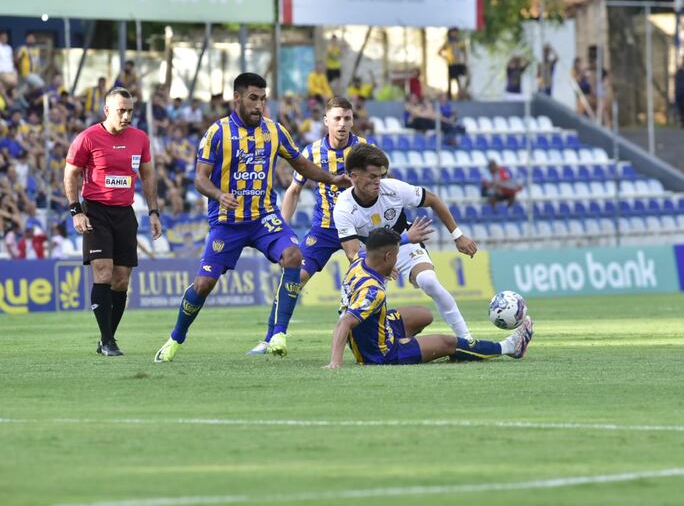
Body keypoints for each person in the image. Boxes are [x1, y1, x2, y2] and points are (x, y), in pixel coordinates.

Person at [153, 72, 352, 363]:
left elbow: (302, 164)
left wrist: (332, 179)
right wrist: (219, 195)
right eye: (253, 98)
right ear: (237, 98)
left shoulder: (274, 131)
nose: (259, 105)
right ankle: (175, 339)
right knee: (203, 285)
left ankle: (278, 335)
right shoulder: (217, 133)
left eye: (263, 99)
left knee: (294, 256)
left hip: (263, 218)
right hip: (227, 222)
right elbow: (199, 178)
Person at [247, 97, 375, 354]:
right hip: (325, 229)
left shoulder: (364, 149)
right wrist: (281, 229)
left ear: (353, 120)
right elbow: (294, 191)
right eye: (337, 118)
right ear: (326, 120)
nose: (342, 124)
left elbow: (382, 184)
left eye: (347, 118)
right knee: (296, 277)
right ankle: (270, 337)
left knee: (368, 279)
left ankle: (374, 337)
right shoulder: (311, 152)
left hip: (360, 228)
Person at [324, 227, 533, 368]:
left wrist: (389, 263)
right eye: (396, 256)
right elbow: (345, 323)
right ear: (388, 256)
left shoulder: (360, 260)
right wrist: (335, 363)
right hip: (381, 353)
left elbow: (372, 257)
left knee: (423, 314)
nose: (397, 260)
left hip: (379, 328)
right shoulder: (372, 292)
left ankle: (409, 342)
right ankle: (508, 347)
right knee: (448, 342)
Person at [333, 143, 479, 341]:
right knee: (359, 310)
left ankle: (467, 339)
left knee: (429, 281)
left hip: (405, 245)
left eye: (380, 176)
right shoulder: (343, 207)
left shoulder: (393, 189)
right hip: (370, 256)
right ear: (354, 176)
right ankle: (388, 339)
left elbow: (433, 200)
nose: (379, 182)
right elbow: (352, 254)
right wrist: (383, 261)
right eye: (372, 177)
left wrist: (458, 236)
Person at [64, 87, 163, 356]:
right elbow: (71, 174)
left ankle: (107, 338)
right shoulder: (87, 138)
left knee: (121, 279)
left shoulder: (140, 138)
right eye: (121, 110)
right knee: (104, 272)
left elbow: (148, 176)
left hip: (125, 213)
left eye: (130, 110)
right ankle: (108, 341)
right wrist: (76, 211)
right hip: (95, 211)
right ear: (107, 109)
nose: (127, 115)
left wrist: (153, 212)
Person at [439, 28, 467, 100]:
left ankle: (460, 95)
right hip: (451, 63)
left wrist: (464, 61)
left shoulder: (460, 42)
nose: (454, 34)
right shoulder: (448, 43)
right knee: (450, 79)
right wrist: (446, 58)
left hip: (459, 63)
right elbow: (440, 52)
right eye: (453, 32)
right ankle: (449, 95)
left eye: (455, 32)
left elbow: (464, 52)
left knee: (459, 80)